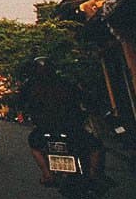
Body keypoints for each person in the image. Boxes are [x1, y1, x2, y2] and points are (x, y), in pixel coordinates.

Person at [18, 57, 105, 187]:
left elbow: (20, 103)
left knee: (35, 145)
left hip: (46, 128)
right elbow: (84, 98)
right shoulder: (65, 83)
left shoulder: (30, 86)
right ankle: (93, 175)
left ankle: (47, 174)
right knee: (96, 146)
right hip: (71, 126)